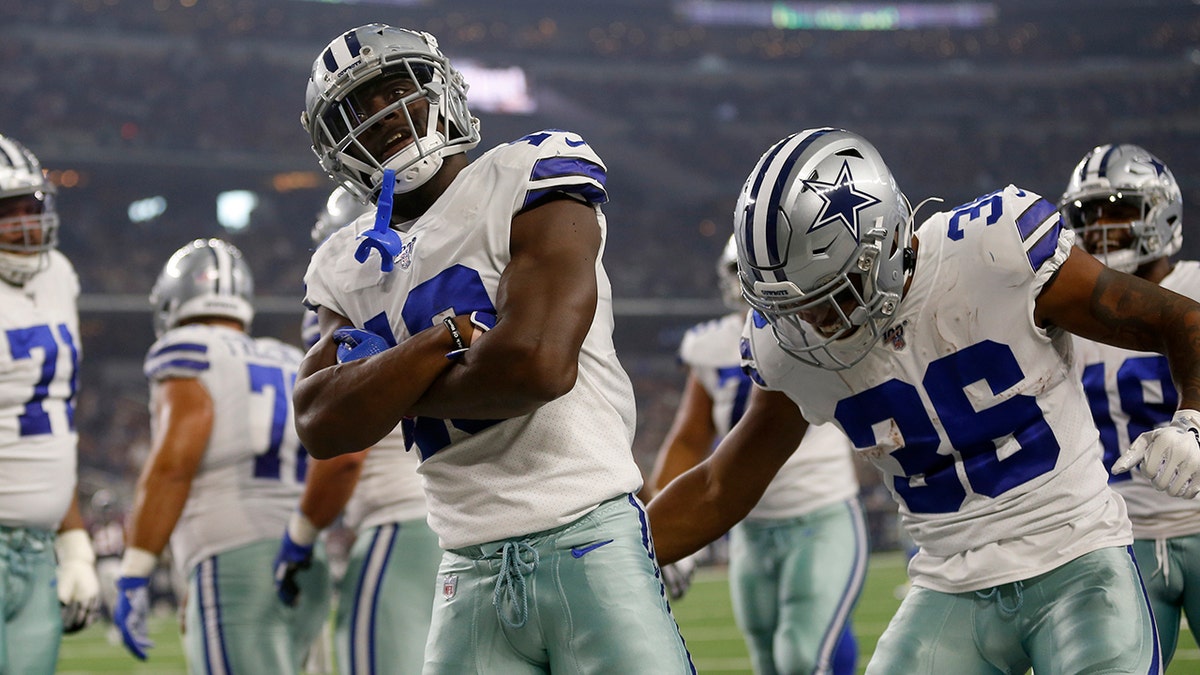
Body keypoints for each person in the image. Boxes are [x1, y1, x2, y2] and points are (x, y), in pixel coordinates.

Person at [647, 126, 1200, 673]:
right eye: (790, 307)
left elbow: (1180, 320)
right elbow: (722, 484)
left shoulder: (995, 250)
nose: (810, 325)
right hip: (948, 585)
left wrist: (1192, 419)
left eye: (828, 296)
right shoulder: (790, 346)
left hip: (1076, 558)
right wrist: (628, 557)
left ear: (883, 245)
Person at [294, 23, 694, 673]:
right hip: (465, 569)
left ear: (440, 91)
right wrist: (444, 340)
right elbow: (320, 423)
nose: (382, 116)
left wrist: (388, 380)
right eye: (356, 111)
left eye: (395, 91)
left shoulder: (528, 173)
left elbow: (535, 363)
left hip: (587, 536)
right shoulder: (346, 261)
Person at [648, 235, 866, 675]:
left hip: (819, 510)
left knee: (802, 655)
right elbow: (689, 439)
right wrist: (667, 520)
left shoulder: (820, 324)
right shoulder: (708, 345)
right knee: (767, 662)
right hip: (747, 526)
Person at [114, 238, 331, 673]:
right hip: (304, 556)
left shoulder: (188, 349)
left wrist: (136, 568)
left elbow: (174, 465)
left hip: (235, 558)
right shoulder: (290, 358)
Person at [273, 186, 441, 675]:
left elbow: (346, 449)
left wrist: (301, 534)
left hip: (398, 522)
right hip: (455, 521)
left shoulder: (350, 316)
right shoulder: (435, 290)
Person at [1062, 143, 1200, 666]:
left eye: (1117, 211)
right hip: (1122, 538)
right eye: (1088, 216)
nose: (1100, 229)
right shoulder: (1069, 313)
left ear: (1160, 214)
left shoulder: (1195, 287)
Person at [0, 133, 100, 673]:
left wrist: (74, 542)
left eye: (30, 206)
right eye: (5, 211)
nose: (23, 224)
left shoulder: (57, 274)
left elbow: (53, 425)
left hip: (38, 547)